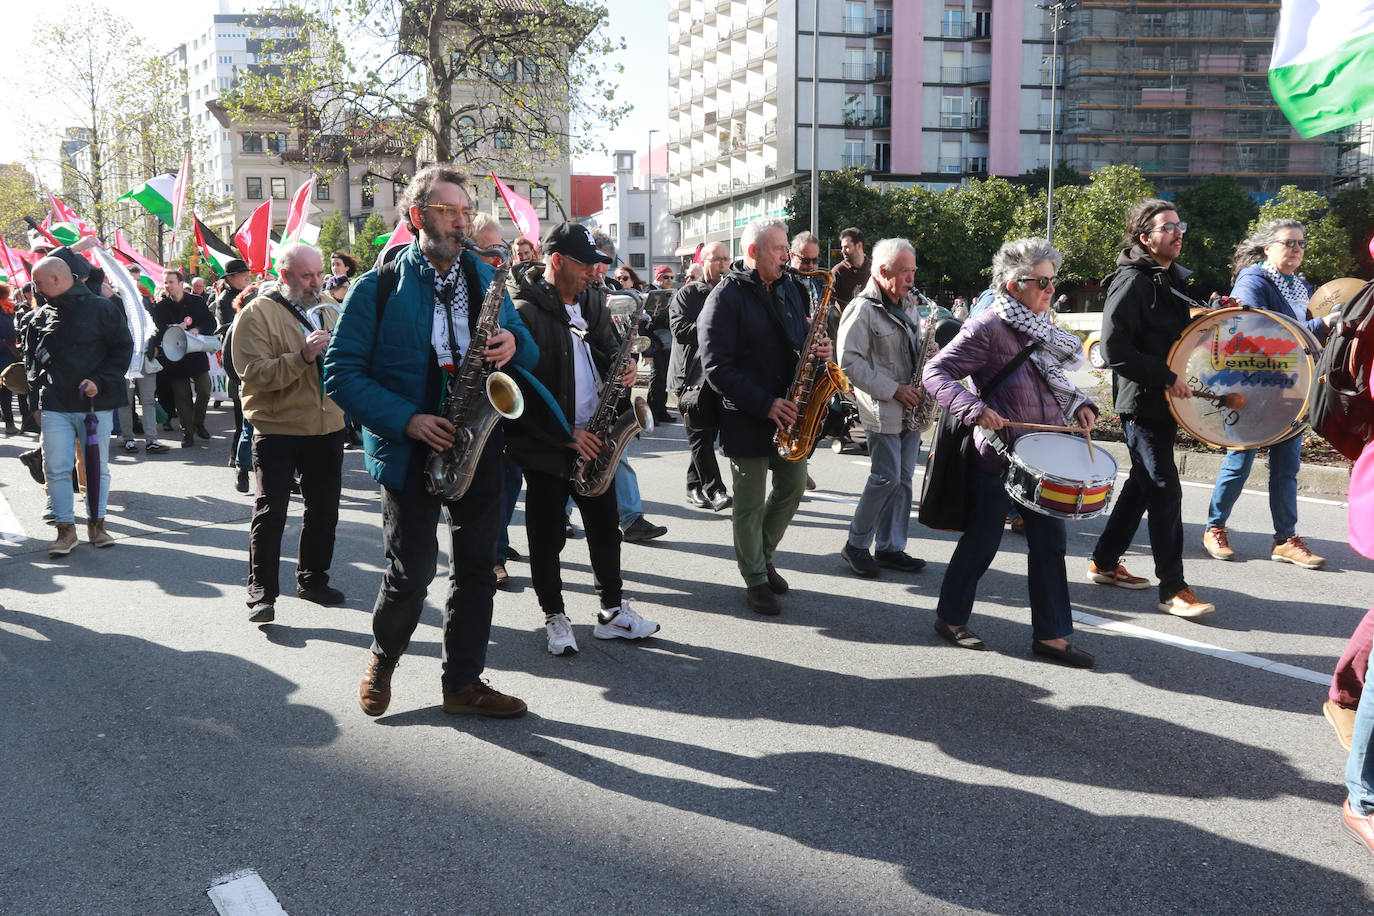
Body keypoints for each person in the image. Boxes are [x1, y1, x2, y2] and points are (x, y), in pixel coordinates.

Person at [325, 164, 533, 718]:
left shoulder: (487, 279)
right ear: (418, 216)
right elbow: (340, 373)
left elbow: (529, 351)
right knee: (411, 573)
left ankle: (462, 685)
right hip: (410, 446)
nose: (462, 222)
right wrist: (409, 421)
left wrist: (514, 343)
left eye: (466, 211)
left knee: (477, 572)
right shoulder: (376, 286)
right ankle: (383, 657)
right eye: (449, 211)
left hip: (477, 441)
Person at [923, 238, 1098, 667]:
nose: (1050, 289)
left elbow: (1051, 382)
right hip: (999, 455)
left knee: (1050, 544)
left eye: (1053, 280)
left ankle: (1052, 636)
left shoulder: (1043, 326)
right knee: (983, 541)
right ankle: (950, 617)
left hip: (1044, 456)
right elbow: (935, 372)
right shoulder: (986, 327)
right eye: (1041, 282)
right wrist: (974, 408)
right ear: (1013, 284)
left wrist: (1080, 405)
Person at [504, 221, 662, 657]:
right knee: (547, 535)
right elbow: (517, 392)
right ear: (557, 261)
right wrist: (565, 434)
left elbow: (606, 347)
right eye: (586, 264)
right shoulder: (523, 311)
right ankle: (554, 615)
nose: (595, 272)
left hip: (596, 434)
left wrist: (623, 366)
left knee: (606, 529)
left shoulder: (592, 298)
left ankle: (613, 612)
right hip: (550, 443)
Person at [1087, 199, 1214, 618]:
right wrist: (1164, 376)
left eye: (1180, 226)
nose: (1178, 233)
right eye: (1168, 227)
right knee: (1164, 488)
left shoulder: (1167, 279)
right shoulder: (1133, 281)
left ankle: (1104, 562)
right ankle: (1173, 588)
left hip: (1163, 401)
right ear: (1145, 237)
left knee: (1143, 484)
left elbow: (1169, 337)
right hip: (1142, 402)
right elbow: (1113, 349)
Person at [699, 217, 831, 616]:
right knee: (750, 503)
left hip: (790, 411)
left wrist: (818, 350)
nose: (786, 256)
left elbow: (799, 339)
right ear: (754, 252)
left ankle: (762, 555)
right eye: (778, 249)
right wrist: (765, 403)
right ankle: (755, 577)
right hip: (747, 415)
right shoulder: (724, 297)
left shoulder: (791, 288)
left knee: (793, 486)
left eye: (786, 248)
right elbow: (716, 366)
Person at [1202, 219, 1333, 569]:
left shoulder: (1300, 285)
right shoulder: (1253, 280)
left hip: (1290, 387)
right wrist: (1321, 325)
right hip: (1250, 386)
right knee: (1240, 461)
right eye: (1289, 242)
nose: (1296, 249)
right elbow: (1257, 333)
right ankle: (1214, 528)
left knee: (1286, 467)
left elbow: (1302, 341)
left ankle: (1284, 540)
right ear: (1267, 248)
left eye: (1301, 243)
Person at [232, 243, 347, 625]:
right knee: (271, 511)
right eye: (306, 276)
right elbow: (253, 374)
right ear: (284, 276)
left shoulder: (329, 305)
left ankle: (313, 579)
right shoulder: (257, 313)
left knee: (324, 509)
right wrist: (303, 357)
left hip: (326, 424)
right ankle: (261, 593)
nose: (315, 283)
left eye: (318, 274)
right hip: (278, 426)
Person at [25, 254, 133, 555]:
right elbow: (31, 363)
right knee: (55, 468)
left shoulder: (103, 308)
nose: (36, 289)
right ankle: (65, 530)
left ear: (57, 278)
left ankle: (97, 526)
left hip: (95, 405)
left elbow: (123, 349)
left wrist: (101, 380)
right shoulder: (39, 315)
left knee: (97, 468)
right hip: (54, 405)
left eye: (39, 283)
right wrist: (35, 404)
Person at [836, 238, 929, 578]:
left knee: (903, 480)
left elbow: (914, 347)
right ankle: (856, 545)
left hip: (911, 404)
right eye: (905, 272)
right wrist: (894, 390)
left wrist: (929, 353)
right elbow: (849, 363)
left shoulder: (910, 303)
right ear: (882, 271)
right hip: (883, 405)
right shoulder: (862, 309)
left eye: (913, 271)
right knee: (885, 477)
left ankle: (890, 547)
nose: (911, 279)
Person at [668, 240, 731, 511]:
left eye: (726, 259)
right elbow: (679, 329)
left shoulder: (729, 292)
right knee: (700, 435)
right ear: (703, 262)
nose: (723, 264)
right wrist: (714, 327)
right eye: (717, 259)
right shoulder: (687, 294)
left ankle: (693, 486)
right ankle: (716, 491)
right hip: (690, 378)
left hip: (716, 375)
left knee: (707, 434)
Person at [153, 269, 214, 447]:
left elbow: (210, 323)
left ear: (181, 283)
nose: (168, 286)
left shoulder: (196, 302)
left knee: (204, 390)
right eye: (165, 282)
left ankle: (198, 422)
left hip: (195, 354)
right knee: (182, 397)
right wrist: (169, 329)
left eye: (171, 282)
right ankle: (188, 432)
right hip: (175, 357)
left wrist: (198, 329)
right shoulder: (161, 307)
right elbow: (157, 331)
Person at [214, 259, 253, 471]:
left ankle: (242, 457)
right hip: (236, 362)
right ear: (231, 278)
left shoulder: (247, 295)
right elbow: (229, 330)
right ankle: (236, 458)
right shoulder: (225, 300)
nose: (248, 276)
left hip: (247, 359)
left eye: (248, 273)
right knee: (242, 416)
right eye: (243, 274)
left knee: (248, 416)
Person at [831, 227, 871, 305]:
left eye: (846, 247)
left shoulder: (874, 269)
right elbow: (829, 304)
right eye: (842, 247)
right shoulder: (838, 271)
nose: (842, 251)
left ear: (859, 245)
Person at [1, 281, 19, 436]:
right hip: (3, 355)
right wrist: (17, 355)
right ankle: (9, 423)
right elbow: (10, 337)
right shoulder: (3, 312)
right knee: (5, 390)